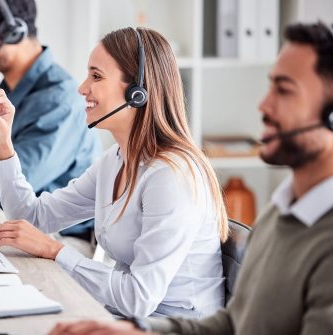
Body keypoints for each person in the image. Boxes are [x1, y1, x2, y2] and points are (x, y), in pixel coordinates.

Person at [49, 21, 333, 335]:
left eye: (285, 91)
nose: (263, 105)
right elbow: (231, 324)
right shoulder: (280, 214)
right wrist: (142, 331)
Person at [0, 27, 228, 319]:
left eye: (96, 76)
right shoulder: (115, 161)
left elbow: (139, 298)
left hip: (169, 325)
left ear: (137, 93)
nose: (82, 87)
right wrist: (3, 145)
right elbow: (33, 217)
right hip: (127, 318)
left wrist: (55, 251)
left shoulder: (171, 176)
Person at [0, 0, 101, 241]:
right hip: (22, 224)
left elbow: (7, 183)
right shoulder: (14, 87)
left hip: (64, 239)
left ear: (12, 31)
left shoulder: (59, 101)